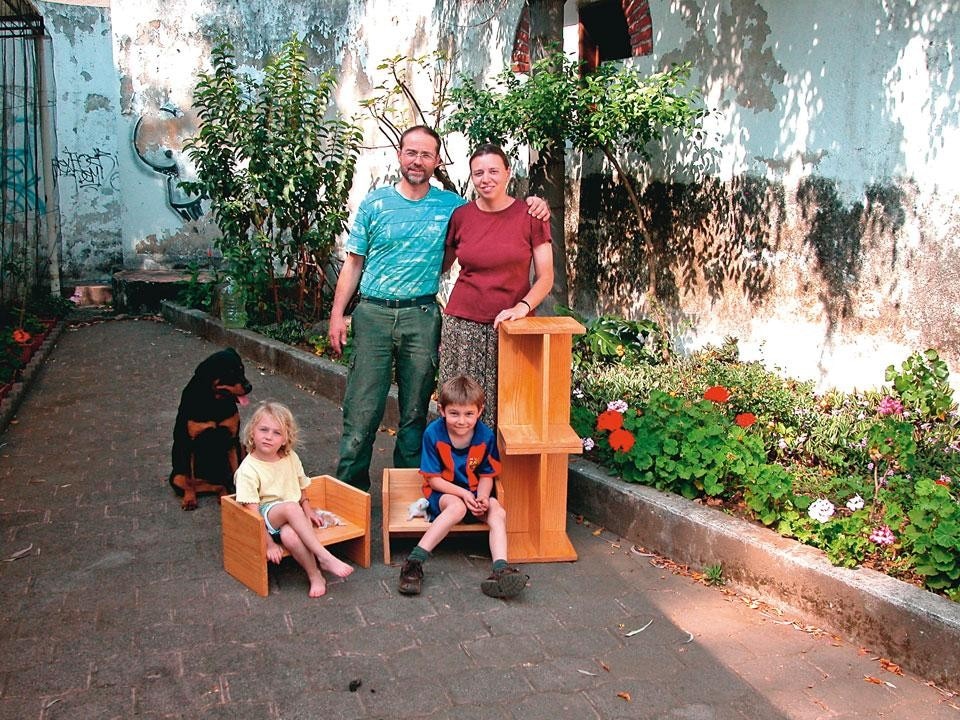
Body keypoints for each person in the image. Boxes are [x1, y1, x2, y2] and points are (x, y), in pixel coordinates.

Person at [328, 126, 549, 491]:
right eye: (411, 152)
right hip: (373, 314)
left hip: (422, 315)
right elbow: (352, 264)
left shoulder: (452, 207)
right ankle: (349, 498)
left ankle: (416, 498)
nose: (418, 161)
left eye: (426, 154)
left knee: (416, 415)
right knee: (361, 413)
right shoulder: (374, 203)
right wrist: (338, 314)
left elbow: (493, 214)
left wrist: (534, 201)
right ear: (399, 155)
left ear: (437, 161)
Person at [440, 143, 554, 427]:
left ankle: (497, 471)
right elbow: (442, 263)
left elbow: (546, 277)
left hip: (510, 326)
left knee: (509, 408)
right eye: (478, 173)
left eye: (493, 171)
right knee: (460, 409)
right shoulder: (461, 216)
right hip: (462, 327)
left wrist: (522, 306)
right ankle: (456, 470)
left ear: (507, 172)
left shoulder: (530, 215)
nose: (485, 179)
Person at [398, 374, 529, 599]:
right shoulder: (433, 434)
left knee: (497, 511)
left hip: (474, 492)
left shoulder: (485, 436)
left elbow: (487, 474)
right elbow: (433, 479)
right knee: (457, 507)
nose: (461, 421)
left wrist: (483, 498)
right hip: (444, 493)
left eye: (469, 414)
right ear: (441, 410)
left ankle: (500, 569)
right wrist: (464, 493)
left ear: (480, 411)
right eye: (454, 414)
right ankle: (414, 562)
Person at [234, 401, 354, 597]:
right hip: (265, 520)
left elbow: (300, 489)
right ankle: (324, 556)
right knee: (290, 507)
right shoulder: (248, 470)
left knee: (290, 535)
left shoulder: (290, 457)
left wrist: (308, 510)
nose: (268, 437)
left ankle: (315, 575)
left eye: (277, 433)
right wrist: (269, 545)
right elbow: (252, 513)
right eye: (263, 430)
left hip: (292, 516)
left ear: (285, 439)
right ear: (252, 432)